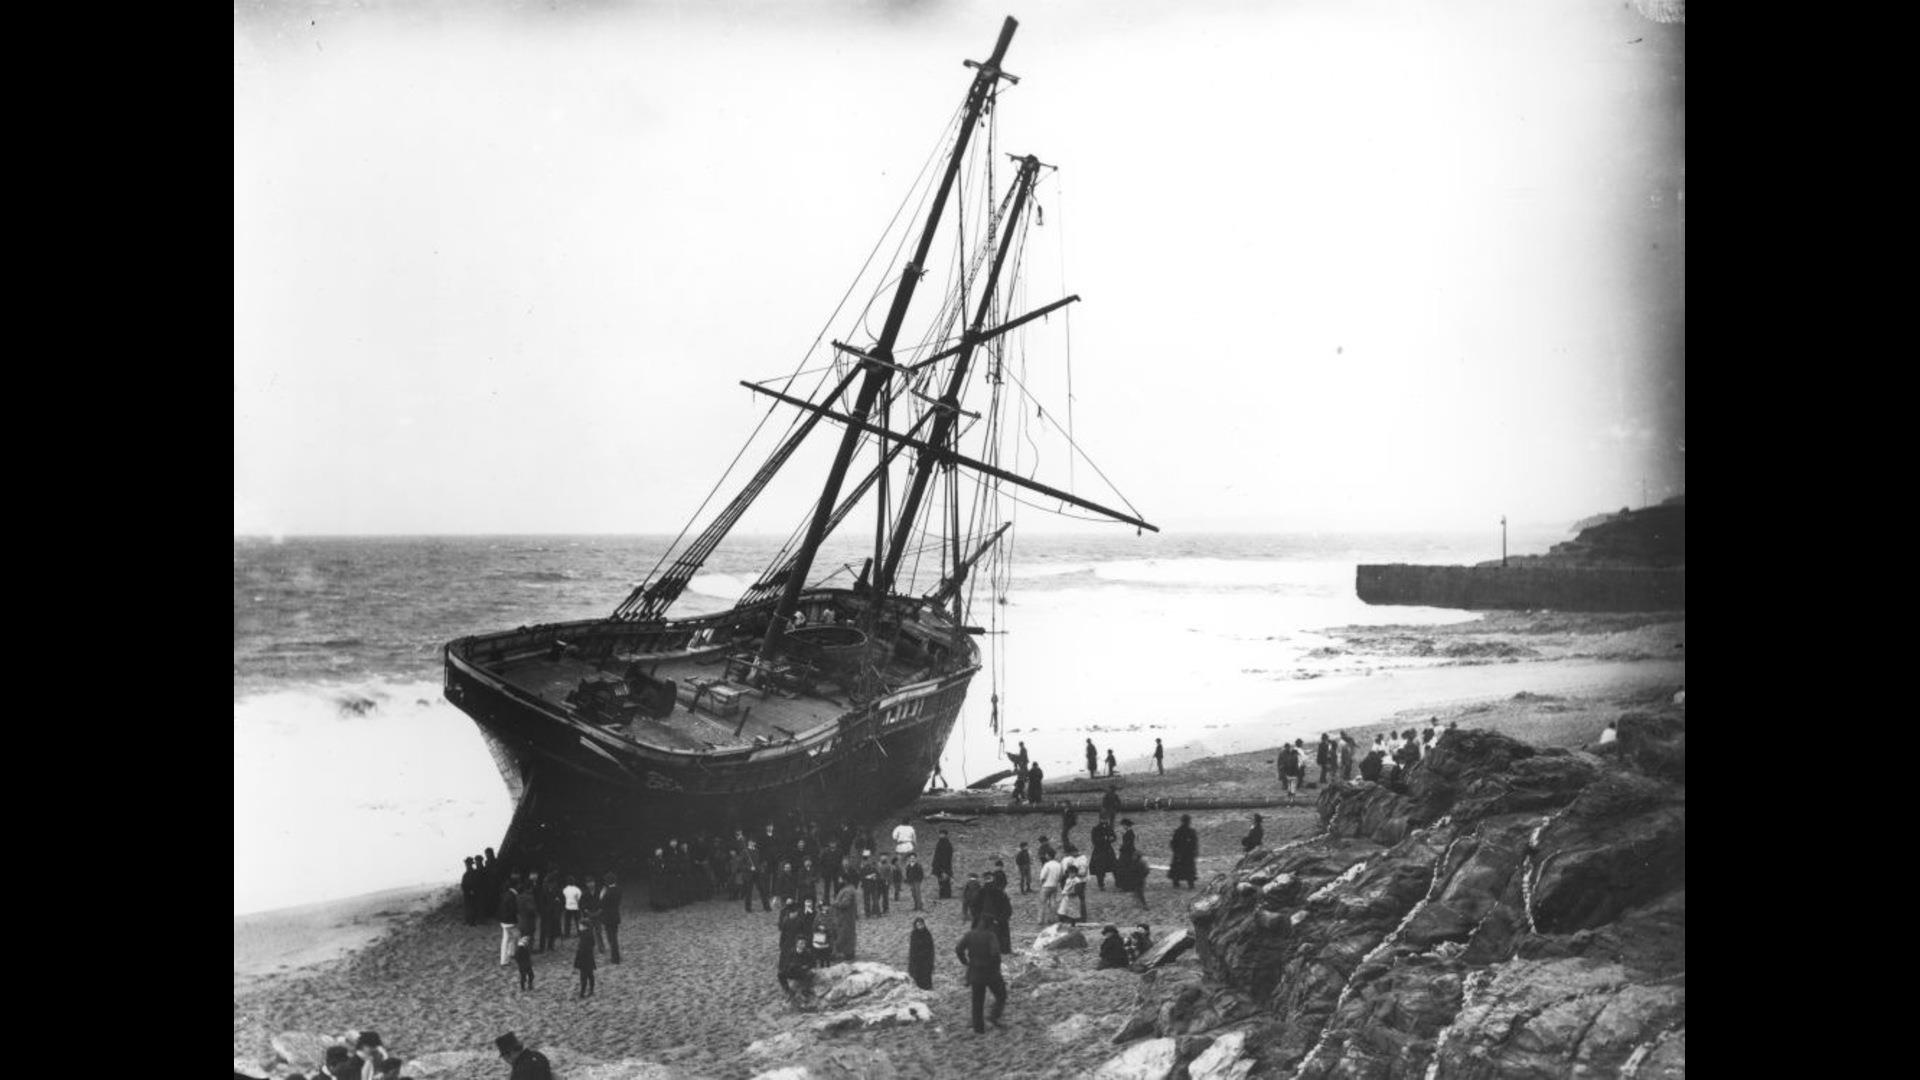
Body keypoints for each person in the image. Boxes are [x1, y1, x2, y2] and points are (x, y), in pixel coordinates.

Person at [954, 913, 1007, 1033]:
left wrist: (965, 962)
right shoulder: (991, 936)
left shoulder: (969, 935)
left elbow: (958, 949)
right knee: (1001, 995)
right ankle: (994, 1016)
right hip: (991, 973)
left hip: (975, 972)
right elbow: (995, 954)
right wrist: (996, 968)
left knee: (977, 1001)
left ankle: (978, 1028)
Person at [831, 877, 859, 961]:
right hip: (846, 917)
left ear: (845, 880)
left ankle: (845, 953)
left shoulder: (848, 890)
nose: (838, 880)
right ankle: (849, 952)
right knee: (847, 934)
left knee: (844, 935)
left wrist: (835, 903)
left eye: (840, 878)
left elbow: (845, 903)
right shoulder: (848, 889)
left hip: (845, 917)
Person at [1169, 814, 1198, 888]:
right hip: (1186, 854)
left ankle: (1178, 883)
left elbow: (1173, 843)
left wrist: (1176, 851)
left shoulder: (1179, 831)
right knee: (1187, 869)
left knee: (1179, 869)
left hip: (1182, 854)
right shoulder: (1189, 831)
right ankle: (1189, 884)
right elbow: (1194, 843)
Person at [600, 873, 623, 964]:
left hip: (608, 917)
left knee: (611, 938)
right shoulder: (619, 890)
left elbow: (602, 902)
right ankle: (616, 956)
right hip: (615, 915)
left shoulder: (607, 892)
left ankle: (615, 958)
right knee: (614, 937)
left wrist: (602, 894)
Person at [497, 878, 520, 966]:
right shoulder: (512, 896)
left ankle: (508, 956)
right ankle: (507, 957)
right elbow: (513, 910)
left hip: (503, 920)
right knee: (515, 937)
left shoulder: (505, 894)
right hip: (509, 921)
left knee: (507, 938)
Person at [1037, 848, 1062, 926]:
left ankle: (1040, 920)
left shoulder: (1047, 865)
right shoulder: (1058, 864)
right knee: (1053, 903)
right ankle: (1052, 919)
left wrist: (1041, 884)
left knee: (1042, 903)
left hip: (1046, 886)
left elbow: (1043, 876)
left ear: (1048, 856)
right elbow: (1060, 876)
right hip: (1054, 885)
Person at [1089, 818, 1117, 890]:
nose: (1105, 821)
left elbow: (1114, 837)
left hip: (1108, 850)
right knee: (1100, 868)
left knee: (1114, 866)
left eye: (1106, 819)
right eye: (1103, 819)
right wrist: (1105, 839)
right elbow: (1094, 840)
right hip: (1099, 850)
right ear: (1100, 820)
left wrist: (1112, 838)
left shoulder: (1109, 828)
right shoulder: (1095, 829)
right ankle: (1101, 884)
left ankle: (1118, 882)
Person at [908, 916, 935, 990]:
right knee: (918, 978)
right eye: (918, 925)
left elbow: (931, 948)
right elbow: (912, 949)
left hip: (926, 960)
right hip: (917, 960)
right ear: (915, 926)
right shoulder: (914, 934)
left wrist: (930, 960)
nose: (920, 927)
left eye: (921, 925)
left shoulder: (927, 933)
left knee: (926, 977)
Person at [573, 914, 597, 998]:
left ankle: (582, 993)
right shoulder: (588, 935)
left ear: (585, 927)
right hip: (589, 958)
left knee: (583, 977)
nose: (579, 926)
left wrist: (578, 959)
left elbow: (582, 949)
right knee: (590, 975)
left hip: (584, 960)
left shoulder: (584, 936)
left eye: (580, 925)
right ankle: (591, 989)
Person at [933, 829, 955, 899]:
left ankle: (946, 895)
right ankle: (942, 894)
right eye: (940, 834)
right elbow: (936, 855)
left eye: (942, 834)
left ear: (946, 835)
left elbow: (947, 857)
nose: (941, 835)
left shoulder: (947, 844)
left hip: (945, 865)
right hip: (938, 865)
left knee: (945, 880)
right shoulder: (939, 843)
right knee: (940, 881)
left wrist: (944, 869)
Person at [462, 857, 480, 925]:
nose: (466, 865)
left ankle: (472, 921)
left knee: (471, 906)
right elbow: (464, 883)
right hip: (467, 892)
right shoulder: (467, 873)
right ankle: (468, 920)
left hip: (471, 892)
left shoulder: (473, 872)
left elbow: (475, 882)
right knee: (468, 906)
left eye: (467, 863)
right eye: (466, 863)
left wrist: (472, 890)